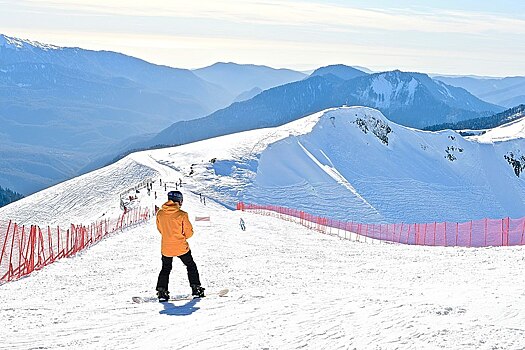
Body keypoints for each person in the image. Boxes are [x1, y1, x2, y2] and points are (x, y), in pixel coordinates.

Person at [155, 191, 205, 301]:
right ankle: (196, 289)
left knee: (165, 268)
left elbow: (160, 229)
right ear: (179, 201)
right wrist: (180, 237)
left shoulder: (160, 213)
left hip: (166, 247)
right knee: (190, 266)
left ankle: (162, 292)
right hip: (181, 246)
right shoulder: (182, 214)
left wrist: (168, 235)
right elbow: (189, 232)